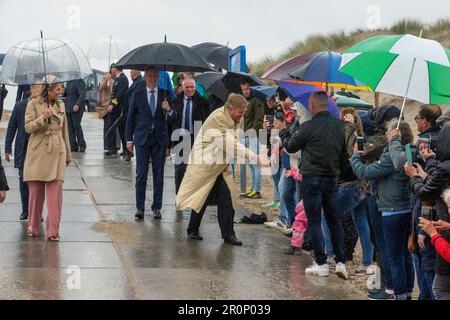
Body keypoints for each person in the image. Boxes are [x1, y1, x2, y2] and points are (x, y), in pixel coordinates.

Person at [176, 93, 270, 245]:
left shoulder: (238, 117)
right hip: (205, 164)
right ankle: (192, 229)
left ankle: (228, 234)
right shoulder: (217, 118)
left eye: (244, 113)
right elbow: (229, 143)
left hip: (221, 164)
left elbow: (236, 140)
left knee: (228, 197)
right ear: (230, 108)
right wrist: (254, 156)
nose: (242, 116)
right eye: (240, 113)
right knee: (202, 196)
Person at [279, 91, 352, 280]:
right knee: (334, 219)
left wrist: (284, 131)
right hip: (332, 178)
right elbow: (345, 156)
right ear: (327, 105)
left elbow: (291, 147)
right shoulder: (340, 126)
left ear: (312, 106)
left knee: (314, 220)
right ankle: (341, 262)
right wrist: (339, 172)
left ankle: (321, 263)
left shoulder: (308, 127)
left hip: (311, 178)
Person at [352, 120, 415, 300]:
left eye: (389, 133)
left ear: (394, 134)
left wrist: (355, 157)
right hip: (406, 209)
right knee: (405, 255)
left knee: (394, 255)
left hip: (392, 210)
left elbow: (365, 172)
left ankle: (396, 291)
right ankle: (407, 291)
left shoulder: (390, 156)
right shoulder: (410, 151)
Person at [405, 124, 450, 300]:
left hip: (442, 234)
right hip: (444, 225)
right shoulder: (443, 167)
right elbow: (435, 182)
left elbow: (426, 193)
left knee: (437, 286)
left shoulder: (445, 167)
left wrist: (413, 176)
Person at [24, 78, 72, 241]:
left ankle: (53, 231)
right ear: (49, 90)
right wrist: (42, 117)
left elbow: (65, 130)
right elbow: (28, 127)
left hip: (58, 150)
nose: (61, 91)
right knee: (36, 193)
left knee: (55, 193)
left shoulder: (61, 105)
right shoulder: (33, 104)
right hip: (38, 151)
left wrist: (68, 153)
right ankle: (33, 227)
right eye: (58, 89)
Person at [126, 66, 175, 220]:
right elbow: (130, 116)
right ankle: (140, 207)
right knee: (141, 174)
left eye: (154, 76)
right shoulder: (138, 94)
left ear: (159, 78)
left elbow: (173, 120)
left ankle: (156, 207)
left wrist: (169, 110)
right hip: (142, 139)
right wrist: (129, 139)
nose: (152, 78)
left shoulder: (164, 95)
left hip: (159, 140)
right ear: (145, 77)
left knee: (158, 175)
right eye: (149, 76)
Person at [4, 84, 42, 220]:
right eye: (36, 87)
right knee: (23, 179)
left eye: (41, 87)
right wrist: (7, 148)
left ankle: (37, 211)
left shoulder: (45, 106)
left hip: (39, 148)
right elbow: (11, 127)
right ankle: (26, 209)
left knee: (37, 181)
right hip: (23, 148)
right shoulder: (20, 106)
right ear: (31, 89)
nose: (38, 90)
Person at [172, 77, 211, 194]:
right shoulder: (175, 101)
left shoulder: (203, 102)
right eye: (187, 87)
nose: (190, 89)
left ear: (195, 87)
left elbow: (209, 121)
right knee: (180, 169)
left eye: (192, 87)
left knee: (197, 169)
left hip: (197, 138)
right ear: (182, 87)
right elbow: (172, 121)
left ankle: (195, 195)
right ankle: (179, 195)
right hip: (180, 138)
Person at [239, 80, 265, 199]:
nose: (245, 91)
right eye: (243, 89)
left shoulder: (257, 100)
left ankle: (257, 190)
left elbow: (259, 119)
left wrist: (252, 133)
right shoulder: (244, 102)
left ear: (252, 88)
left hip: (253, 135)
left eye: (247, 89)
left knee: (255, 163)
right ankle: (253, 188)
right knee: (250, 163)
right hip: (244, 135)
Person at [105, 64, 129, 155]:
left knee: (119, 129)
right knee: (117, 129)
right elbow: (113, 94)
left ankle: (117, 149)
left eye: (111, 69)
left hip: (118, 108)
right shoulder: (117, 79)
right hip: (115, 108)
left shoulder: (122, 79)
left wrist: (112, 104)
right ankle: (118, 148)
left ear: (115, 68)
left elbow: (119, 94)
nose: (111, 71)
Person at [123, 70, 144, 162]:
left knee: (131, 133)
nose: (130, 74)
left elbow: (135, 98)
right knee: (127, 132)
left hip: (135, 112)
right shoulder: (136, 82)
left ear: (136, 73)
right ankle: (129, 152)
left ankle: (129, 152)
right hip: (130, 111)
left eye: (131, 72)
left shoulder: (140, 82)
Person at [64, 79, 87, 152]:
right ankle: (73, 146)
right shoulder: (68, 81)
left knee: (77, 126)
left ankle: (82, 145)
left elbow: (82, 94)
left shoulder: (79, 80)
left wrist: (77, 104)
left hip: (76, 108)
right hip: (68, 107)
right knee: (70, 128)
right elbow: (67, 94)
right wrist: (62, 90)